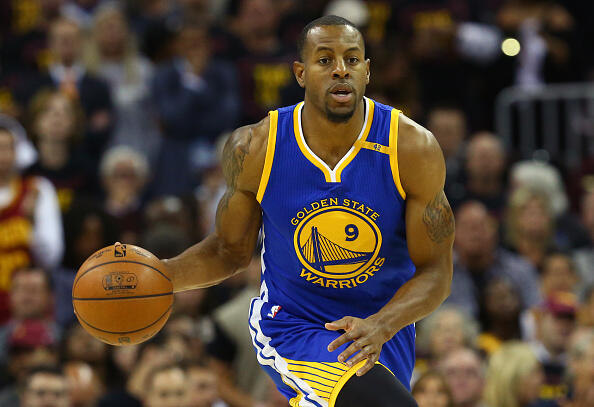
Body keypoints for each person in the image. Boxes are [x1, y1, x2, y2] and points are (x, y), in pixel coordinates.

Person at [162, 15, 454, 407]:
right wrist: (161, 276)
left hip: (383, 329)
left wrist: (381, 325)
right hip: (293, 325)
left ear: (367, 72)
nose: (340, 70)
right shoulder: (256, 147)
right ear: (300, 73)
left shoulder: (412, 148)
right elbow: (228, 252)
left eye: (352, 60)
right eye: (325, 60)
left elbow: (436, 272)